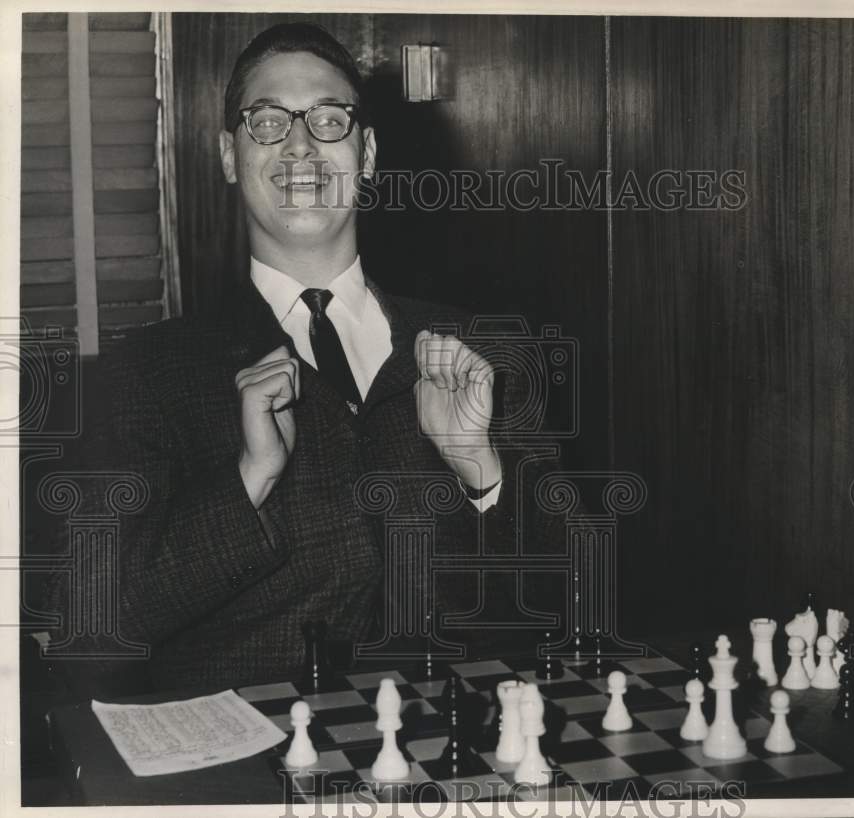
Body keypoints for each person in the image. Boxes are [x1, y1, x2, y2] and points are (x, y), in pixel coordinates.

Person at [43, 22, 569, 696]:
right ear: (230, 156)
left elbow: (567, 607)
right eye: (266, 121)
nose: (299, 144)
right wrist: (247, 479)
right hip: (243, 777)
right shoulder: (144, 372)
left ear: (368, 152)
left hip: (444, 759)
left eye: (328, 119)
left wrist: (480, 471)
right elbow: (84, 637)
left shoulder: (480, 351)